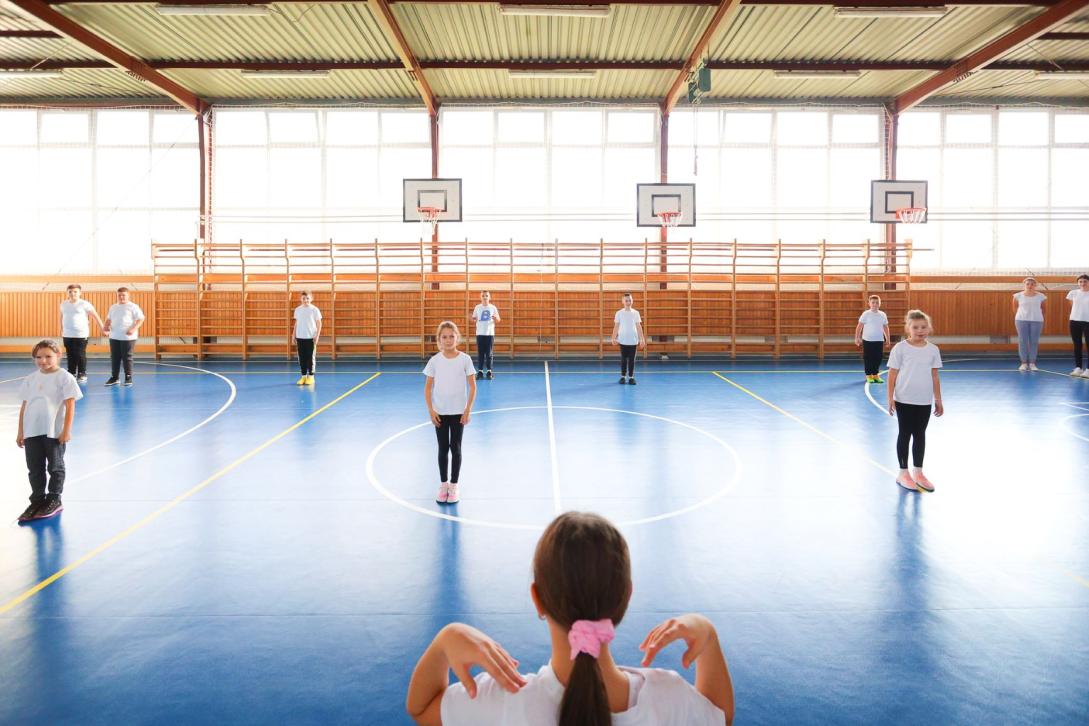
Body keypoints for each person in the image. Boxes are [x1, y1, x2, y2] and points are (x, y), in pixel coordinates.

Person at [406, 511, 734, 726]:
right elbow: (719, 716)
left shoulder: (503, 701)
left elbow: (421, 708)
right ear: (626, 596)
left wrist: (445, 641)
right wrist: (708, 635)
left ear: (537, 599)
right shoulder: (669, 698)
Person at [15, 340, 82, 523]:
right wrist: (21, 431)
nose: (43, 361)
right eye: (38, 357)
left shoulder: (65, 377)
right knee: (34, 468)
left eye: (48, 356)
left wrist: (66, 430)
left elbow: (70, 406)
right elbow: (24, 406)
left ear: (58, 356)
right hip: (32, 431)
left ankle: (54, 499)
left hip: (53, 431)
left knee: (55, 466)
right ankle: (37, 500)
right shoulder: (31, 379)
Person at [887, 310, 944, 493]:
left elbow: (935, 376)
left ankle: (918, 472)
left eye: (924, 327)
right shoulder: (900, 348)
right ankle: (903, 473)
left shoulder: (933, 350)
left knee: (920, 434)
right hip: (904, 398)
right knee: (905, 433)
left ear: (929, 328)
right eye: (915, 327)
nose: (920, 330)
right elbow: (892, 373)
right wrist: (890, 398)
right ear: (908, 329)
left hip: (924, 401)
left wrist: (938, 399)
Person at [424, 321, 477, 505]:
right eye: (444, 337)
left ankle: (454, 485)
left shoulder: (465, 359)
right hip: (440, 412)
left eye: (451, 336)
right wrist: (431, 411)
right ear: (439, 339)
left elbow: (472, 386)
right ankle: (443, 484)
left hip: (458, 413)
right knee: (442, 449)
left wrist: (467, 409)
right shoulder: (435, 361)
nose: (448, 340)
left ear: (457, 337)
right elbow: (428, 388)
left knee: (456, 448)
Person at [60, 283, 104, 384]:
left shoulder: (85, 304)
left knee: (80, 354)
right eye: (70, 292)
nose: (72, 294)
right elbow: (61, 317)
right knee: (70, 354)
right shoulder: (64, 304)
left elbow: (95, 316)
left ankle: (82, 373)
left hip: (81, 334)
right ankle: (71, 372)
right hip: (67, 334)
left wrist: (102, 328)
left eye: (75, 292)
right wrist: (61, 329)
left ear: (80, 293)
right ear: (67, 293)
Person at [102, 287, 145, 387]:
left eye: (123, 295)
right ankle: (115, 377)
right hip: (114, 336)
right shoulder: (113, 307)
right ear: (117, 295)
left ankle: (128, 377)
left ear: (128, 295)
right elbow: (108, 319)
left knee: (127, 357)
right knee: (115, 357)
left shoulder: (133, 307)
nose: (121, 297)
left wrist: (133, 329)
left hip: (128, 337)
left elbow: (141, 319)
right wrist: (105, 328)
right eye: (119, 295)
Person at [611, 293, 646, 385]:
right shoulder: (619, 313)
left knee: (631, 359)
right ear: (623, 301)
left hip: (633, 340)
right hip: (622, 340)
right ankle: (622, 376)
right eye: (626, 300)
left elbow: (639, 327)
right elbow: (616, 326)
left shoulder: (636, 313)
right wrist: (613, 338)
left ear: (632, 301)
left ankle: (631, 377)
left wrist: (642, 339)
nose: (628, 302)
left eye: (630, 300)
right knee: (623, 359)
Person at [854, 295, 890, 384]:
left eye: (877, 302)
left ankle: (875, 374)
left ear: (880, 304)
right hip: (868, 340)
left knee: (878, 357)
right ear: (869, 303)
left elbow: (885, 327)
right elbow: (859, 326)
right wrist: (857, 337)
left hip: (879, 340)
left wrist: (887, 339)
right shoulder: (866, 314)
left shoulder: (882, 314)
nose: (875, 304)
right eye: (873, 302)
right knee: (868, 358)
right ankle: (869, 375)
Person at [1012, 277, 1046, 372]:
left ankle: (1032, 363)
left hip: (1037, 321)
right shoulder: (1017, 296)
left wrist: (1037, 317)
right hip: (1021, 320)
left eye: (1032, 284)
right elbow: (1015, 308)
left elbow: (1043, 309)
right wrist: (1021, 316)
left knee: (1034, 342)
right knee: (1022, 341)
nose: (1030, 286)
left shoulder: (1041, 296)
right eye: (1028, 284)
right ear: (1024, 285)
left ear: (1035, 285)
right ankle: (1023, 363)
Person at [293, 290, 323, 385]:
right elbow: (297, 323)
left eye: (307, 298)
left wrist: (317, 336)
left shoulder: (314, 310)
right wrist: (293, 335)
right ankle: (303, 377)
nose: (305, 300)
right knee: (301, 358)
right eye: (303, 298)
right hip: (300, 337)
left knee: (310, 358)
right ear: (301, 299)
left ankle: (311, 376)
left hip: (310, 337)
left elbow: (319, 323)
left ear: (311, 299)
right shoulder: (298, 309)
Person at [471, 291, 501, 381]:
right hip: (480, 333)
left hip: (489, 334)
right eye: (483, 296)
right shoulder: (477, 307)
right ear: (480, 297)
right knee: (480, 354)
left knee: (489, 354)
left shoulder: (493, 307)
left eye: (486, 296)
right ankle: (479, 372)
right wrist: (472, 319)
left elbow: (498, 319)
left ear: (489, 297)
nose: (485, 297)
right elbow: (474, 318)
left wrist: (496, 319)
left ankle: (489, 371)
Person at [1066, 274, 1089, 378]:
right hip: (1074, 321)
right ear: (1078, 283)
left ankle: (1088, 370)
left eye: (1085, 281)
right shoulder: (1073, 293)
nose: (1082, 283)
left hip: (1088, 322)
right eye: (1080, 282)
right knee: (1077, 345)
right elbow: (1072, 305)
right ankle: (1078, 368)